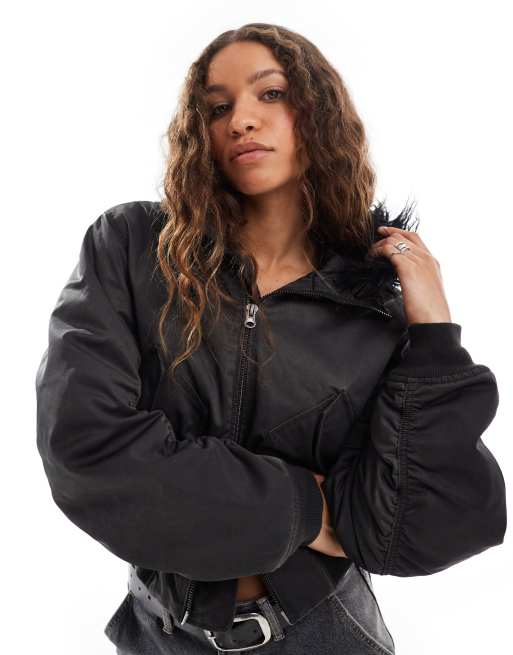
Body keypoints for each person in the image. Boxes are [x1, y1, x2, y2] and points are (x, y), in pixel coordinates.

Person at [35, 22, 507, 655]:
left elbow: (415, 530)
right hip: (159, 633)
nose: (242, 121)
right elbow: (87, 449)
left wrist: (435, 336)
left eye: (271, 94)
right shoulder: (131, 249)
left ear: (318, 113)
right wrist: (301, 507)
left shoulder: (371, 307)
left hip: (324, 633)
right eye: (217, 107)